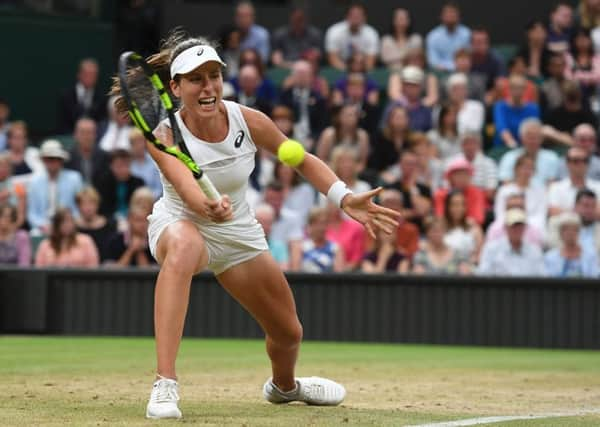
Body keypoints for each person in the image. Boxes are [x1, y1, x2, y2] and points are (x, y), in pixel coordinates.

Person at [112, 33, 398, 418]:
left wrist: (344, 198)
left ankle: (285, 387)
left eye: (214, 75)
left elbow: (301, 159)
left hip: (237, 230)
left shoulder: (249, 121)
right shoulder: (162, 135)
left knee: (288, 333)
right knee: (185, 247)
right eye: (196, 79)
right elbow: (184, 186)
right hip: (179, 220)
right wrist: (206, 205)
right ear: (176, 87)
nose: (208, 86)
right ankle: (165, 384)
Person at [27, 140, 83, 234]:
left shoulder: (74, 178)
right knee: (34, 233)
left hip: (69, 223)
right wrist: (43, 226)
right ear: (43, 160)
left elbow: (79, 207)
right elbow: (32, 213)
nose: (52, 162)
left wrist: (69, 223)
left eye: (55, 159)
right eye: (48, 159)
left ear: (61, 160)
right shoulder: (34, 181)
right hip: (43, 226)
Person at [477, 208, 546, 276]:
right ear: (505, 227)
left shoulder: (535, 251)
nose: (517, 229)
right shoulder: (491, 249)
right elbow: (484, 274)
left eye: (520, 225)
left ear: (525, 227)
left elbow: (542, 277)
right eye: (513, 225)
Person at [278, 60, 328, 148]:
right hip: (288, 137)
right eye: (298, 74)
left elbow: (323, 124)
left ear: (311, 77)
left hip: (312, 138)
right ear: (292, 76)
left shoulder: (319, 99)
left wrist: (314, 138)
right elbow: (278, 118)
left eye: (304, 74)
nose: (301, 78)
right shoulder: (284, 96)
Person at [498, 118, 560, 186]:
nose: (532, 140)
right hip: (516, 195)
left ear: (542, 138)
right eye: (529, 136)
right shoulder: (509, 157)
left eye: (536, 136)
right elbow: (506, 184)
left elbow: (552, 185)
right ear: (521, 137)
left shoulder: (552, 157)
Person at [494, 154, 547, 232]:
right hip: (508, 227)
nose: (527, 171)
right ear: (516, 169)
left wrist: (524, 225)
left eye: (530, 168)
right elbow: (500, 214)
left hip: (532, 227)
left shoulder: (541, 191)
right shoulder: (504, 190)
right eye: (524, 167)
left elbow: (541, 215)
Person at [34, 208, 99, 267]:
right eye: (63, 222)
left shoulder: (86, 241)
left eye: (70, 221)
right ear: (57, 224)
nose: (67, 225)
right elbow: (39, 269)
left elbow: (93, 266)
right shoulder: (45, 245)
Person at [324, 3, 379, 71]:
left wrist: (359, 71)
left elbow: (370, 62)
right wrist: (349, 72)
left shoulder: (371, 33)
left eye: (358, 16)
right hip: (340, 70)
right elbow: (333, 58)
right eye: (352, 15)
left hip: (362, 70)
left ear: (364, 18)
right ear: (346, 17)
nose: (355, 18)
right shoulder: (334, 31)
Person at [57, 58, 107, 133]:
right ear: (79, 74)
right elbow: (62, 123)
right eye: (87, 74)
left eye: (93, 74)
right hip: (70, 137)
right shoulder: (66, 96)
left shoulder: (102, 97)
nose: (90, 78)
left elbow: (102, 122)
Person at [547, 146, 600, 217]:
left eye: (585, 160)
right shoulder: (556, 187)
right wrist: (584, 213)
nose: (581, 164)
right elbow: (553, 211)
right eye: (576, 161)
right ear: (567, 163)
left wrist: (570, 212)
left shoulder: (598, 186)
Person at [94, 149, 145, 220]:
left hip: (133, 220)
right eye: (119, 166)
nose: (123, 169)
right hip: (109, 220)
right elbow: (102, 209)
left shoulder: (138, 183)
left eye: (126, 165)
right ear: (111, 166)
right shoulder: (102, 182)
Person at [316, 103, 369, 170]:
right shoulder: (328, 134)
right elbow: (321, 160)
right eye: (347, 115)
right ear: (339, 116)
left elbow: (362, 163)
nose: (351, 118)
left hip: (353, 174)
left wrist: (349, 171)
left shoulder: (363, 136)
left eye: (353, 115)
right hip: (330, 171)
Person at [544, 212, 598, 278]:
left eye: (574, 229)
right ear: (560, 232)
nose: (570, 233)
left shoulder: (590, 255)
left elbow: (595, 278)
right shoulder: (550, 257)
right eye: (566, 229)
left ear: (579, 232)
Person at [493, 74, 541, 148]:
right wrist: (513, 145)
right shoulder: (500, 106)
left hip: (526, 146)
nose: (517, 91)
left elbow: (533, 129)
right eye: (514, 87)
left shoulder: (533, 108)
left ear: (525, 89)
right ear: (509, 88)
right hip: (504, 147)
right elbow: (502, 129)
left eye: (520, 88)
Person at [294, 207, 344, 273]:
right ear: (310, 225)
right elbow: (295, 273)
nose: (321, 227)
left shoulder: (336, 248)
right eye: (317, 223)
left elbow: (339, 274)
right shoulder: (300, 248)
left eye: (324, 223)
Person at [75, 186, 117, 263]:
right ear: (78, 206)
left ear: (97, 204)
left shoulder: (110, 225)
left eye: (91, 203)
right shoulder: (73, 227)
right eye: (83, 204)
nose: (88, 208)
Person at [425, 2, 471, 72]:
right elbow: (433, 62)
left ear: (459, 16)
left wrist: (457, 67)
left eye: (453, 13)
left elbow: (469, 58)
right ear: (441, 16)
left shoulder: (467, 34)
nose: (450, 16)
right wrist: (452, 67)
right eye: (447, 13)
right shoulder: (433, 36)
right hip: (440, 73)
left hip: (462, 72)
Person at [64, 117, 109, 185]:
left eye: (89, 133)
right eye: (82, 133)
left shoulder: (105, 157)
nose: (86, 137)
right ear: (75, 135)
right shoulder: (67, 157)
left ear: (95, 135)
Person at [443, 190, 483, 263]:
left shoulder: (473, 227)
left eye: (462, 204)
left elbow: (480, 254)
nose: (459, 208)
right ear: (447, 207)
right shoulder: (441, 227)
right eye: (454, 204)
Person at [129, 128, 162, 200]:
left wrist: (146, 199)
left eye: (140, 142)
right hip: (132, 202)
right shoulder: (128, 163)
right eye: (134, 143)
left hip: (152, 201)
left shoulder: (155, 161)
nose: (138, 146)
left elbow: (159, 189)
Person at [254, 203, 288, 270]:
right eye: (261, 222)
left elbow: (284, 270)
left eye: (268, 222)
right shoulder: (246, 245)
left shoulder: (279, 246)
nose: (264, 226)